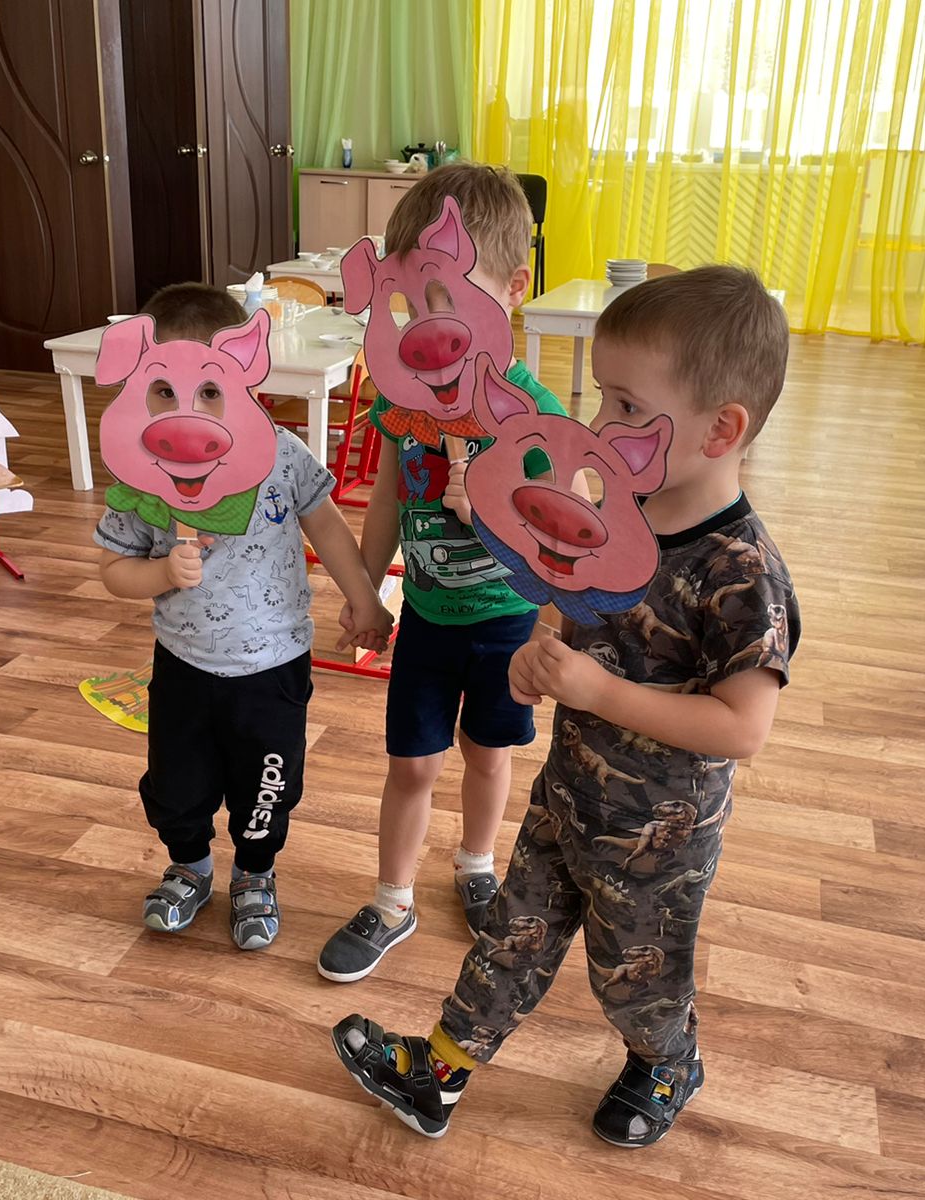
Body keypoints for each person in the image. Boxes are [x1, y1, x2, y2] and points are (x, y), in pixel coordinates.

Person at [331, 266, 801, 1148]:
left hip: (658, 838)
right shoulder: (619, 511)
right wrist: (538, 652)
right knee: (512, 939)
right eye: (601, 399)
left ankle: (667, 1060)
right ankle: (441, 1072)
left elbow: (744, 727)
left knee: (634, 976)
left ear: (721, 429)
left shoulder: (742, 572)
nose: (599, 426)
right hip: (567, 795)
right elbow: (570, 595)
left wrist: (599, 691)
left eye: (626, 407)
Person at [318, 163, 571, 982]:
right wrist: (366, 591)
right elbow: (388, 496)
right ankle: (392, 901)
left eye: (452, 301)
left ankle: (476, 865)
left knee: (489, 754)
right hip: (428, 617)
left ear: (514, 290)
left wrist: (490, 509)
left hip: (506, 622)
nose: (429, 328)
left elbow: (559, 540)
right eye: (413, 304)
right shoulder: (401, 402)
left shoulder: (535, 414)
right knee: (412, 764)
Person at [95, 283, 394, 952]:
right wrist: (161, 573)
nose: (189, 409)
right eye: (165, 390)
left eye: (210, 389)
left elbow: (327, 525)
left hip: (273, 664)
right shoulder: (141, 473)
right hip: (184, 663)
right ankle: (190, 867)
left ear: (247, 378)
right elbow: (114, 570)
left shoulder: (281, 454)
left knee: (267, 787)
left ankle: (256, 873)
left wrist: (365, 598)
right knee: (175, 785)